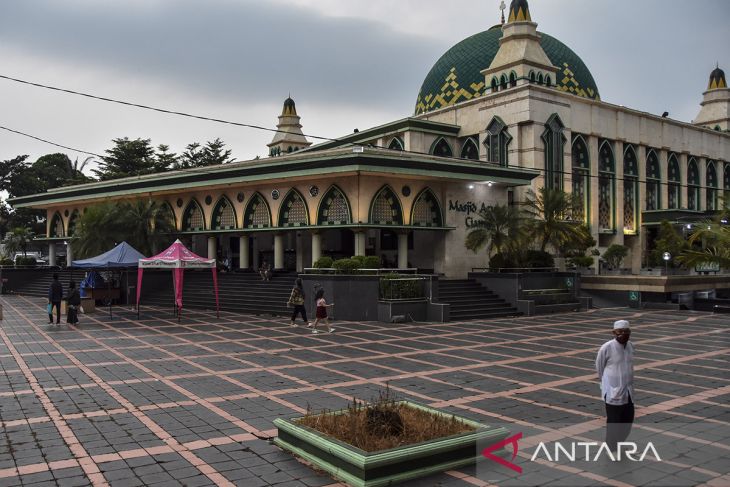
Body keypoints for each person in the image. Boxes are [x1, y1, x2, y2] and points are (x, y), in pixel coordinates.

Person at [595, 319, 635, 451]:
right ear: (614, 333)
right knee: (614, 422)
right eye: (620, 332)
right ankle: (611, 448)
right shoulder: (607, 347)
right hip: (612, 392)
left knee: (628, 419)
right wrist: (606, 384)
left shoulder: (630, 346)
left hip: (628, 391)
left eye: (626, 332)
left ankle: (619, 443)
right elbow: (599, 367)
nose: (623, 334)